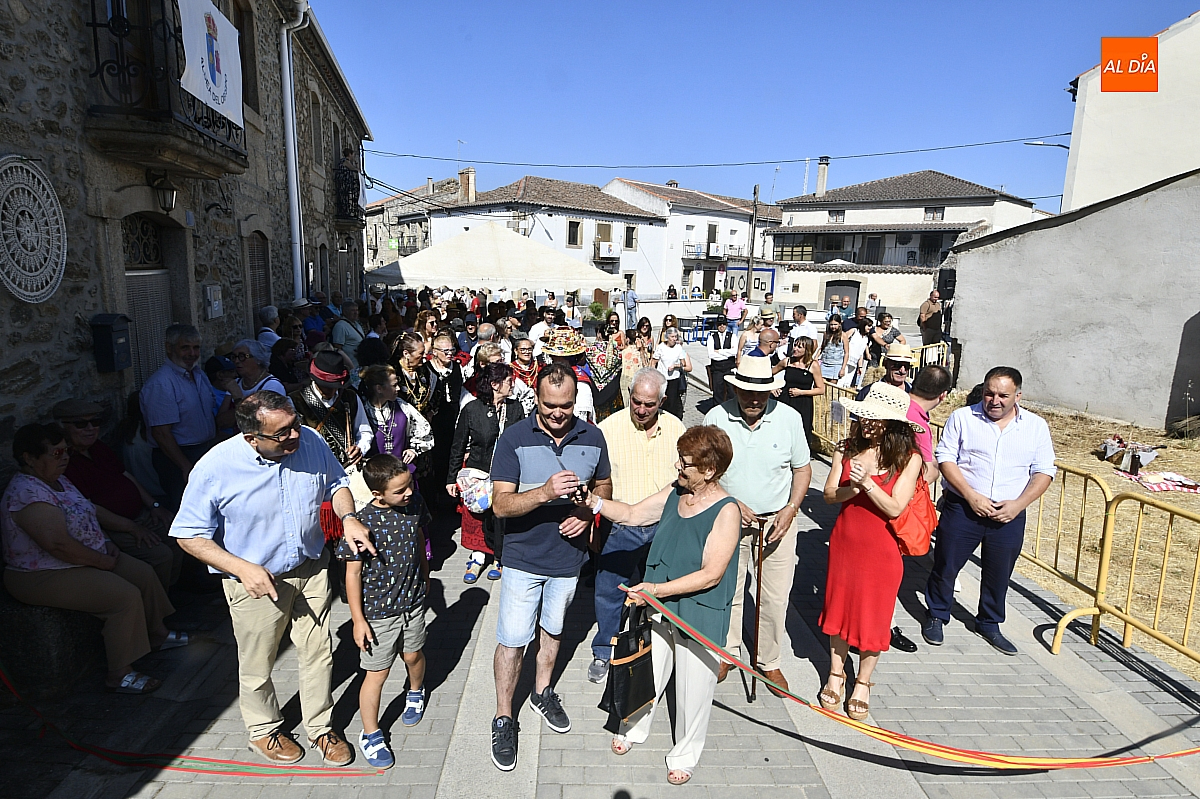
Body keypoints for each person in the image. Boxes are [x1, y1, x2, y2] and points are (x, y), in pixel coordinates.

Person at [172, 391, 375, 764]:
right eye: (282, 433)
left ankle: (320, 728)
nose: (295, 436)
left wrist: (347, 518)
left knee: (320, 652)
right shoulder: (214, 467)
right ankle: (264, 730)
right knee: (258, 663)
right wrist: (241, 568)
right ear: (252, 438)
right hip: (255, 584)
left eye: (295, 424)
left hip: (311, 568)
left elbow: (338, 483)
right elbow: (188, 534)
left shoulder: (309, 440)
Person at [582, 425, 739, 785]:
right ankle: (633, 728)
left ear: (709, 471)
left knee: (694, 689)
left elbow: (710, 575)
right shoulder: (676, 491)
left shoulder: (726, 511)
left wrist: (655, 588)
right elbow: (635, 514)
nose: (677, 468)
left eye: (685, 464)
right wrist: (597, 503)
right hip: (659, 604)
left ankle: (685, 753)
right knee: (649, 672)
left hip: (697, 611)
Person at [487, 365, 613, 771]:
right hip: (524, 558)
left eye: (566, 405)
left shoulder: (592, 436)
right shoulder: (515, 438)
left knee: (554, 630)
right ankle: (504, 716)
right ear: (535, 399)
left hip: (568, 559)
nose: (558, 413)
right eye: (549, 405)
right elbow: (500, 504)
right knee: (512, 639)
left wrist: (585, 511)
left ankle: (542, 693)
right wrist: (543, 492)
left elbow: (605, 485)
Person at [3, 423, 185, 694]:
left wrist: (109, 541)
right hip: (43, 572)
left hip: (82, 557)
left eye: (65, 451)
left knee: (143, 574)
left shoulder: (58, 479)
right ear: (29, 458)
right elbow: (58, 544)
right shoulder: (28, 494)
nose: (64, 458)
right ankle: (119, 674)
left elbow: (88, 511)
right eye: (55, 453)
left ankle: (156, 634)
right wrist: (101, 562)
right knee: (123, 596)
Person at [922, 367, 1056, 655]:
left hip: (1008, 514)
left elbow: (1044, 471)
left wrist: (1018, 505)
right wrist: (970, 496)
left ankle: (989, 622)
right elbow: (946, 458)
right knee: (946, 565)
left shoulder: (1035, 427)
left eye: (1003, 395)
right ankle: (937, 614)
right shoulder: (963, 418)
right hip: (964, 508)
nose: (994, 400)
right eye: (989, 393)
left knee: (998, 572)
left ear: (1018, 396)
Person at [703, 355, 811, 692]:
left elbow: (803, 469)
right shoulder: (716, 417)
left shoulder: (790, 419)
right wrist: (732, 501)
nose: (754, 400)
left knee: (775, 597)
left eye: (761, 393)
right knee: (728, 591)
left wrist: (792, 508)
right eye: (747, 392)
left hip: (777, 522)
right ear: (734, 387)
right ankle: (726, 652)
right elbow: (705, 475)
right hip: (728, 520)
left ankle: (769, 662)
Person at [819, 383, 924, 720]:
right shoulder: (846, 448)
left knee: (874, 614)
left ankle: (863, 681)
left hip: (882, 549)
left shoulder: (910, 459)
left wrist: (868, 485)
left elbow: (894, 508)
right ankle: (836, 672)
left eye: (876, 419)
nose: (867, 423)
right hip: (846, 542)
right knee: (839, 607)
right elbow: (829, 495)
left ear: (893, 424)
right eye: (865, 415)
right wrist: (854, 487)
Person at [588, 368, 686, 683]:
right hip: (622, 527)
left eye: (649, 404)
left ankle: (656, 650)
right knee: (609, 590)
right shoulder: (607, 429)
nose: (641, 410)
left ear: (663, 401)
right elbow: (594, 479)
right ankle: (604, 649)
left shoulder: (676, 428)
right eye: (636, 402)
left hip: (664, 525)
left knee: (659, 591)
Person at [340, 456, 431, 768]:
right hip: (379, 613)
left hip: (413, 602)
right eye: (399, 491)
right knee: (376, 673)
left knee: (413, 656)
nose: (408, 493)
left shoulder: (414, 503)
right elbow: (352, 575)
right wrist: (358, 620)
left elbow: (419, 535)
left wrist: (426, 572)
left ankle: (416, 691)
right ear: (377, 494)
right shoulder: (361, 525)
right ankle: (370, 732)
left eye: (408, 486)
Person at [56, 400, 181, 590]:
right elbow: (90, 508)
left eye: (95, 422)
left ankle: (169, 594)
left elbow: (126, 475)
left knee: (179, 538)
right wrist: (132, 528)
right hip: (113, 527)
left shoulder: (98, 448)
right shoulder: (65, 462)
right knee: (160, 556)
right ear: (63, 427)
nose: (90, 429)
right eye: (81, 424)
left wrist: (154, 506)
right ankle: (156, 606)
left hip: (140, 514)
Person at [448, 362, 526, 583]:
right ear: (494, 384)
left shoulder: (515, 408)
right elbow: (458, 445)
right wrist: (451, 477)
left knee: (501, 516)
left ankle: (499, 558)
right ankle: (477, 557)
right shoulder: (472, 410)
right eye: (509, 381)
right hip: (477, 475)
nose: (513, 384)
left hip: (506, 475)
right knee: (476, 517)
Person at [139, 324, 217, 510]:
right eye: (185, 347)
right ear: (169, 348)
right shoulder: (161, 384)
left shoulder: (199, 375)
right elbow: (161, 433)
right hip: (177, 458)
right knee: (189, 511)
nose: (192, 353)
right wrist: (185, 466)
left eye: (196, 347)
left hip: (202, 451)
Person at [289, 350, 372, 468]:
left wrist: (360, 448)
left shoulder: (350, 397)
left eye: (336, 386)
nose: (332, 391)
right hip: (312, 468)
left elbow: (364, 431)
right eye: (327, 386)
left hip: (347, 469)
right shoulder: (295, 400)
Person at [358, 364, 433, 468]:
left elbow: (424, 431)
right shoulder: (362, 410)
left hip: (400, 470)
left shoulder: (402, 406)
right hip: (374, 474)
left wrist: (413, 449)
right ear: (379, 388)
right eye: (394, 385)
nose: (398, 388)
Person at [424, 331, 464, 508]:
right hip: (435, 420)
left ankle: (451, 493)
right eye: (445, 351)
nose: (450, 354)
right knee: (437, 456)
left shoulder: (455, 367)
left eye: (452, 350)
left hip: (453, 417)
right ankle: (438, 494)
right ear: (435, 351)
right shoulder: (427, 369)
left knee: (452, 454)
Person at [781, 337, 824, 445]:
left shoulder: (813, 365)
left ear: (807, 350)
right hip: (786, 400)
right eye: (795, 345)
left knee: (801, 431)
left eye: (799, 347)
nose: (795, 349)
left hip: (803, 402)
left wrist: (801, 392)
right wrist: (773, 388)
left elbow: (821, 389)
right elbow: (768, 374)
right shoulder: (787, 361)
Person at [587, 318, 624, 421]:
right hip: (613, 392)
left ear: (599, 334)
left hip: (595, 393)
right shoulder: (617, 351)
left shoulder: (590, 350)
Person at [652, 326, 692, 419]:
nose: (674, 339)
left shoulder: (678, 348)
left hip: (674, 379)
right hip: (662, 379)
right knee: (661, 402)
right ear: (667, 337)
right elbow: (653, 362)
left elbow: (683, 363)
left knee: (672, 404)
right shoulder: (661, 347)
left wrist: (675, 366)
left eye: (675, 337)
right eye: (672, 337)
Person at [705, 316, 738, 404]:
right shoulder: (711, 337)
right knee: (717, 393)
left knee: (732, 392)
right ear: (717, 325)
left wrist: (719, 351)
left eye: (724, 324)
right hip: (717, 369)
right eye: (720, 324)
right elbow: (711, 355)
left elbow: (734, 352)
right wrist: (727, 353)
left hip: (729, 369)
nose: (722, 326)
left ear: (727, 325)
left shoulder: (733, 336)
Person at [619, 328, 651, 403]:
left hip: (625, 378)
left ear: (627, 339)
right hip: (639, 378)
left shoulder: (623, 352)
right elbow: (646, 365)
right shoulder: (641, 351)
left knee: (626, 402)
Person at [840, 317, 873, 388]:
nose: (870, 328)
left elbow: (861, 354)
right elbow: (843, 339)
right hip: (845, 359)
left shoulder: (866, 338)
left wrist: (860, 366)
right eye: (868, 326)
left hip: (854, 363)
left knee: (847, 383)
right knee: (841, 381)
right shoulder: (854, 331)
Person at [332, 302, 366, 368]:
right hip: (349, 365)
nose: (356, 313)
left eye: (357, 310)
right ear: (345, 312)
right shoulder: (340, 326)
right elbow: (337, 347)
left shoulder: (357, 324)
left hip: (359, 363)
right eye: (352, 310)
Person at [817, 316, 848, 382]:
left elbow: (846, 353)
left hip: (836, 365)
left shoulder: (843, 335)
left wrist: (843, 368)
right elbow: (822, 348)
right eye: (831, 324)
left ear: (839, 324)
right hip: (825, 363)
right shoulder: (826, 334)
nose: (833, 326)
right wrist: (816, 358)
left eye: (835, 324)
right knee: (821, 383)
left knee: (832, 387)